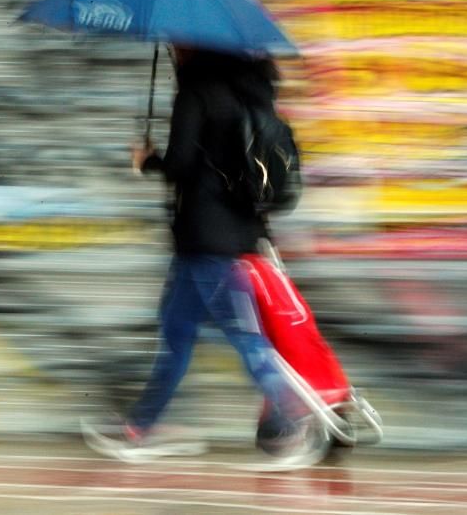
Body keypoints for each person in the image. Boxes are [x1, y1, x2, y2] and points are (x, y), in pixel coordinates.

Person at [82, 46, 324, 469]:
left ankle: (293, 426)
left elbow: (180, 165)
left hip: (206, 239)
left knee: (245, 340)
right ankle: (140, 428)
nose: (173, 49)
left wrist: (147, 160)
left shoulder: (198, 91)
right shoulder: (251, 92)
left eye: (179, 44)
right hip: (229, 235)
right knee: (176, 338)